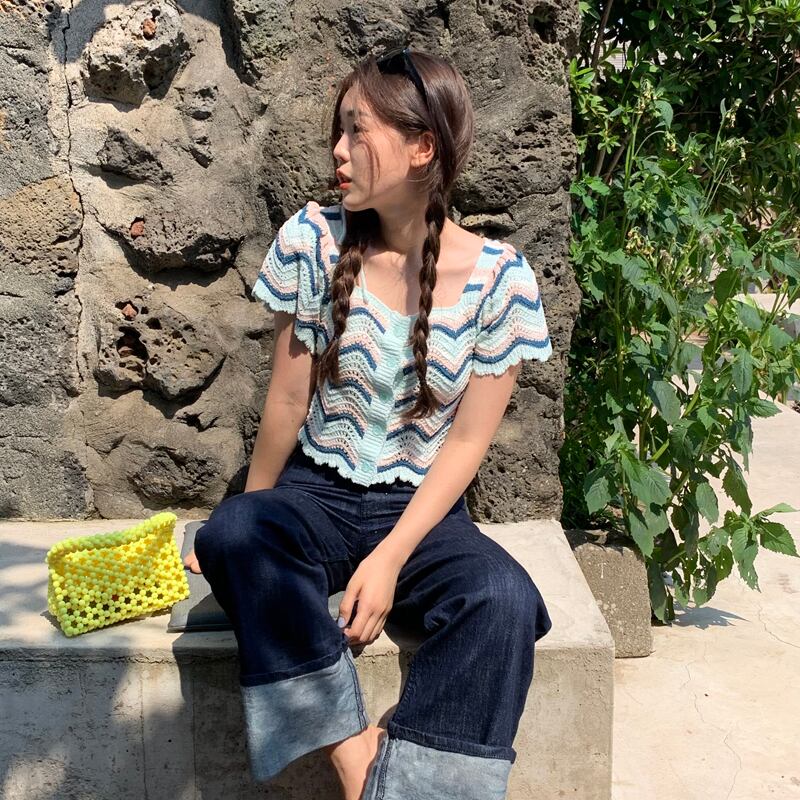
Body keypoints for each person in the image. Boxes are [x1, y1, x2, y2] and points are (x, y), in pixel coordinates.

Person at [185, 45, 554, 800]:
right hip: (314, 496)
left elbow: (468, 443)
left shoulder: (502, 281)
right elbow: (287, 402)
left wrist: (389, 557)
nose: (338, 150)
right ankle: (356, 756)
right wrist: (244, 520)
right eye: (340, 130)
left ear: (422, 148)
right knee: (235, 533)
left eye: (358, 132)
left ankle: (409, 784)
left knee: (503, 600)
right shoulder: (313, 240)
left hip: (423, 511)